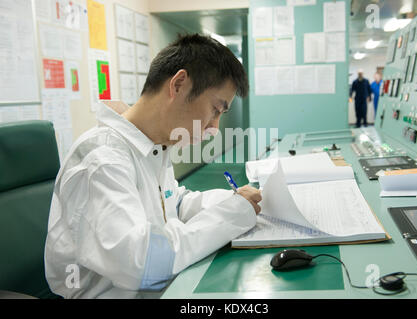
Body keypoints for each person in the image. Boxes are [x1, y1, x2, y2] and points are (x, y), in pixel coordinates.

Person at [44, 34, 262, 298]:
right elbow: (144, 262)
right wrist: (233, 214)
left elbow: (174, 206)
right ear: (179, 84)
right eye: (216, 109)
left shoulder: (152, 147)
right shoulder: (103, 159)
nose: (214, 128)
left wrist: (236, 200)